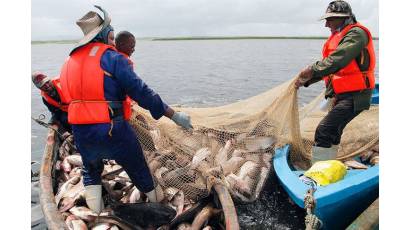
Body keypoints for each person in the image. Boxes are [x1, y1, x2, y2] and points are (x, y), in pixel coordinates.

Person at [59, 5, 193, 214]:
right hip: (112, 129)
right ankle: (163, 210)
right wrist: (173, 115)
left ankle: (96, 215)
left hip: (81, 131)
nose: (112, 41)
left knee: (91, 170)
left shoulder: (69, 61)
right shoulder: (112, 58)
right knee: (138, 168)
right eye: (111, 36)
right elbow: (141, 92)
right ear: (106, 34)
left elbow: (66, 97)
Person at [294, 0, 376, 163]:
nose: (326, 24)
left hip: (356, 94)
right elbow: (332, 68)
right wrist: (307, 80)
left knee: (324, 130)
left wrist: (311, 70)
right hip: (342, 94)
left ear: (344, 18)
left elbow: (337, 60)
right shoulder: (340, 35)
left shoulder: (356, 34)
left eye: (330, 19)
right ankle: (329, 165)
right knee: (334, 131)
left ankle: (318, 174)